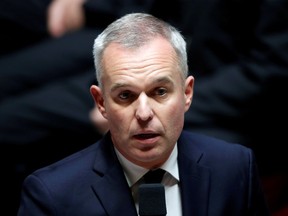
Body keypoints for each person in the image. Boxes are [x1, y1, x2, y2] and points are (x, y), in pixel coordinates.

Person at [17, 12, 270, 215]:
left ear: (187, 93)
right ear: (101, 102)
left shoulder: (235, 167)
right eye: (125, 96)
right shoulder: (52, 194)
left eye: (159, 92)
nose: (144, 113)